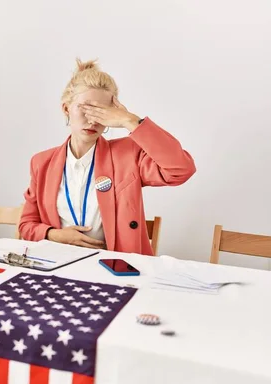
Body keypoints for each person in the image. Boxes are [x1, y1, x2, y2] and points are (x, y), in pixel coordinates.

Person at [18, 58, 196, 256]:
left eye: (102, 112)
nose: (92, 119)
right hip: (58, 264)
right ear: (66, 108)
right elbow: (26, 225)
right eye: (85, 108)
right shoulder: (42, 162)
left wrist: (129, 120)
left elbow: (181, 170)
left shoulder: (128, 154)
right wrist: (55, 235)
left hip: (115, 268)